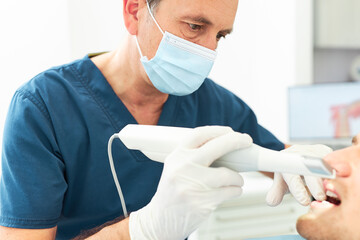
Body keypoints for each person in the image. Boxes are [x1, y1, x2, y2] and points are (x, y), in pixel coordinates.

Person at [0, 0, 328, 239]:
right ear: (134, 12)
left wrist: (306, 160)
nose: (208, 50)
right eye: (195, 27)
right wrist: (144, 229)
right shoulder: (43, 107)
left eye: (221, 35)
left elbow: (280, 159)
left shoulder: (213, 105)